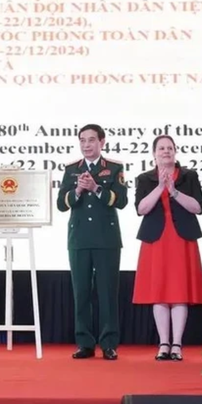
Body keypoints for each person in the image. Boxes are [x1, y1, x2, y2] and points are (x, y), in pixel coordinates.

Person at [57, 124, 128, 360]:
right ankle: (84, 342)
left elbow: (121, 201)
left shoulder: (114, 168)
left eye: (91, 140)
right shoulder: (71, 170)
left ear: (102, 142)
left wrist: (96, 188)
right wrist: (77, 190)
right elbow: (61, 204)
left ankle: (109, 343)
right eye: (82, 141)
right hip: (79, 238)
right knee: (82, 292)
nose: (86, 145)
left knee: (108, 292)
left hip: (106, 239)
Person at [133, 135, 202, 361]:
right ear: (154, 153)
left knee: (180, 292)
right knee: (160, 293)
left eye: (170, 148)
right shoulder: (145, 178)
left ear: (175, 151)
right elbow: (141, 209)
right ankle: (163, 343)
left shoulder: (189, 176)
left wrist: (174, 191)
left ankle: (177, 344)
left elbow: (197, 207)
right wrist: (161, 187)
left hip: (181, 239)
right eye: (161, 148)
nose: (166, 151)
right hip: (156, 239)